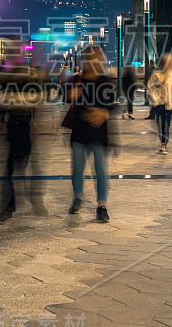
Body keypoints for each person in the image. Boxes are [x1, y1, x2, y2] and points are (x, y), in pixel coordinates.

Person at [0, 44, 45, 224]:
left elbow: (38, 99)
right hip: (11, 125)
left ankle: (22, 201)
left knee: (21, 164)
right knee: (11, 167)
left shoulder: (29, 74)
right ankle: (8, 206)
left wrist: (35, 124)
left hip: (24, 125)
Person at [66, 46, 115, 223]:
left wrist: (104, 113)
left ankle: (102, 206)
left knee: (101, 170)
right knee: (77, 170)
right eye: (89, 58)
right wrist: (70, 95)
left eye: (96, 58)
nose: (93, 61)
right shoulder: (77, 79)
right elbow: (67, 98)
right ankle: (78, 197)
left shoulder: (104, 81)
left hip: (98, 133)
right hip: (79, 132)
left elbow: (111, 103)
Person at [147, 54, 172, 154]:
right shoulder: (156, 75)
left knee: (166, 123)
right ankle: (163, 142)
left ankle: (164, 143)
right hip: (159, 103)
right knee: (161, 123)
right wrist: (156, 100)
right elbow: (150, 88)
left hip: (169, 103)